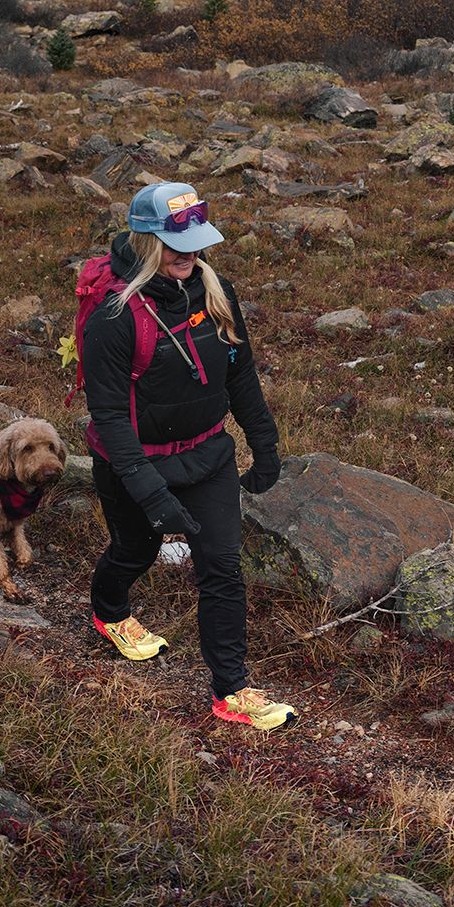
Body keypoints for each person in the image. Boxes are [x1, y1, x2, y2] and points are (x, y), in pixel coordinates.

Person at [75, 180, 295, 731]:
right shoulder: (113, 316)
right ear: (146, 240)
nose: (190, 255)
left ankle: (231, 691)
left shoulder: (216, 290)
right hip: (135, 461)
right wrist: (150, 492)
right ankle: (109, 613)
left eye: (196, 242)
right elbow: (110, 419)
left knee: (222, 567)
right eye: (177, 245)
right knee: (135, 550)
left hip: (206, 453)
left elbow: (240, 373)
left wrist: (263, 445)